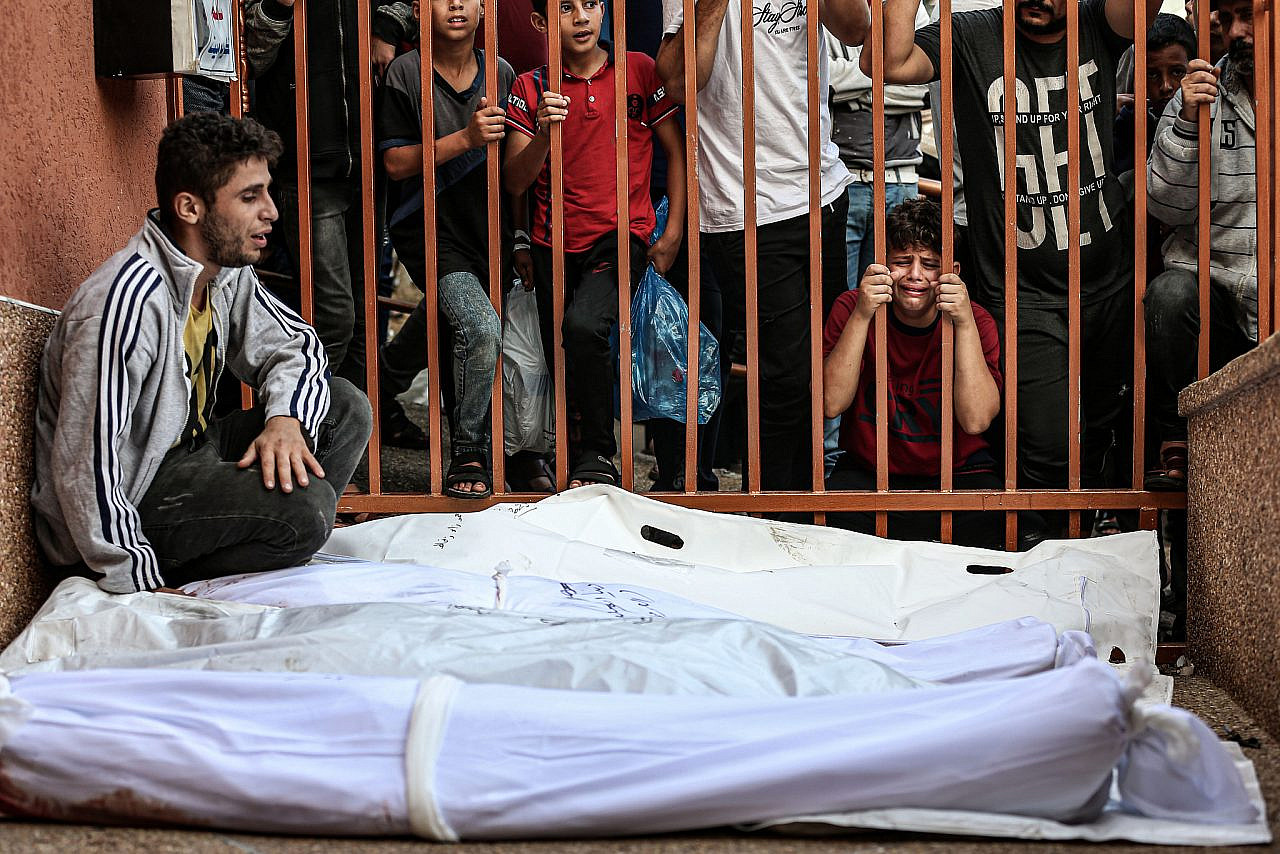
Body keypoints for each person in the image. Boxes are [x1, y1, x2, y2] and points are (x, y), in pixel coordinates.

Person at [29, 113, 372, 595]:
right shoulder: (125, 304)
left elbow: (296, 346)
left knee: (343, 407)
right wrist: (137, 582)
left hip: (191, 453)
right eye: (250, 197)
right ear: (190, 207)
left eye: (267, 192)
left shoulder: (221, 271)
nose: (271, 212)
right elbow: (84, 466)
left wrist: (284, 422)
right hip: (134, 496)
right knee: (305, 509)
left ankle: (272, 551)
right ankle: (211, 571)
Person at [880, 0, 1160, 544]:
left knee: (1109, 421)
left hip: (1108, 278)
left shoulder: (1098, 22)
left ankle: (1104, 537)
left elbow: (1140, 15)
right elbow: (887, 62)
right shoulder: (972, 33)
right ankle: (1046, 555)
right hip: (1020, 288)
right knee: (1046, 443)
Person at [654, 0, 867, 493]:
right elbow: (681, 83)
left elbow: (856, 30)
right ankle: (774, 512)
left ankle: (803, 507)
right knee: (783, 378)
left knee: (820, 366)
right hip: (746, 204)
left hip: (823, 190)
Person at [503, 0, 686, 488]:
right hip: (552, 242)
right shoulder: (530, 85)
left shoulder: (641, 70)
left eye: (589, 5)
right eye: (565, 8)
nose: (581, 18)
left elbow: (676, 150)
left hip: (621, 234)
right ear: (542, 23)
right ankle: (563, 456)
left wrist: (673, 232)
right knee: (559, 348)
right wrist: (544, 132)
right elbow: (515, 182)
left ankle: (599, 455)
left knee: (583, 327)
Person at [377, 0, 517, 497]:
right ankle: (469, 451)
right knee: (479, 327)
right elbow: (394, 164)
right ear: (419, 10)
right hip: (429, 224)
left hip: (486, 222)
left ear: (484, 9)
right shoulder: (404, 71)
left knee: (449, 315)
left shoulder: (501, 71)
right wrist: (466, 137)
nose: (455, 4)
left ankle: (380, 382)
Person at [244, 0, 412, 383]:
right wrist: (278, 6)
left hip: (370, 159)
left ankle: (344, 432)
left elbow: (414, 7)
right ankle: (292, 422)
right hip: (305, 165)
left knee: (364, 320)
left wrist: (386, 28)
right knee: (333, 318)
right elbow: (250, 58)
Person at [822, 198, 1003, 547]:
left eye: (931, 265)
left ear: (953, 271)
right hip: (869, 472)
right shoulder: (852, 307)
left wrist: (963, 324)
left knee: (993, 535)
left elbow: (976, 420)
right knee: (832, 541)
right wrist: (862, 314)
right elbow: (830, 403)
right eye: (902, 262)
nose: (916, 275)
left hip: (960, 473)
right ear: (882, 265)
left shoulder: (976, 319)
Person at [1144, 0, 1257, 492]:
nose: (1236, 33)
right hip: (1215, 293)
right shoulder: (1199, 91)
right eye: (1225, 19)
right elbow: (1166, 207)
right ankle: (1178, 439)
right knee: (1170, 294)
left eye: (1248, 16)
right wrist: (1189, 120)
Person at [822, 6, 929, 476]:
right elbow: (827, 85)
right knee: (846, 315)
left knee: (897, 313)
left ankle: (892, 444)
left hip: (901, 177)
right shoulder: (834, 10)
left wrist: (859, 84)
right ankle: (831, 457)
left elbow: (921, 86)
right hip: (844, 178)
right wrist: (881, 82)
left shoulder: (910, 8)